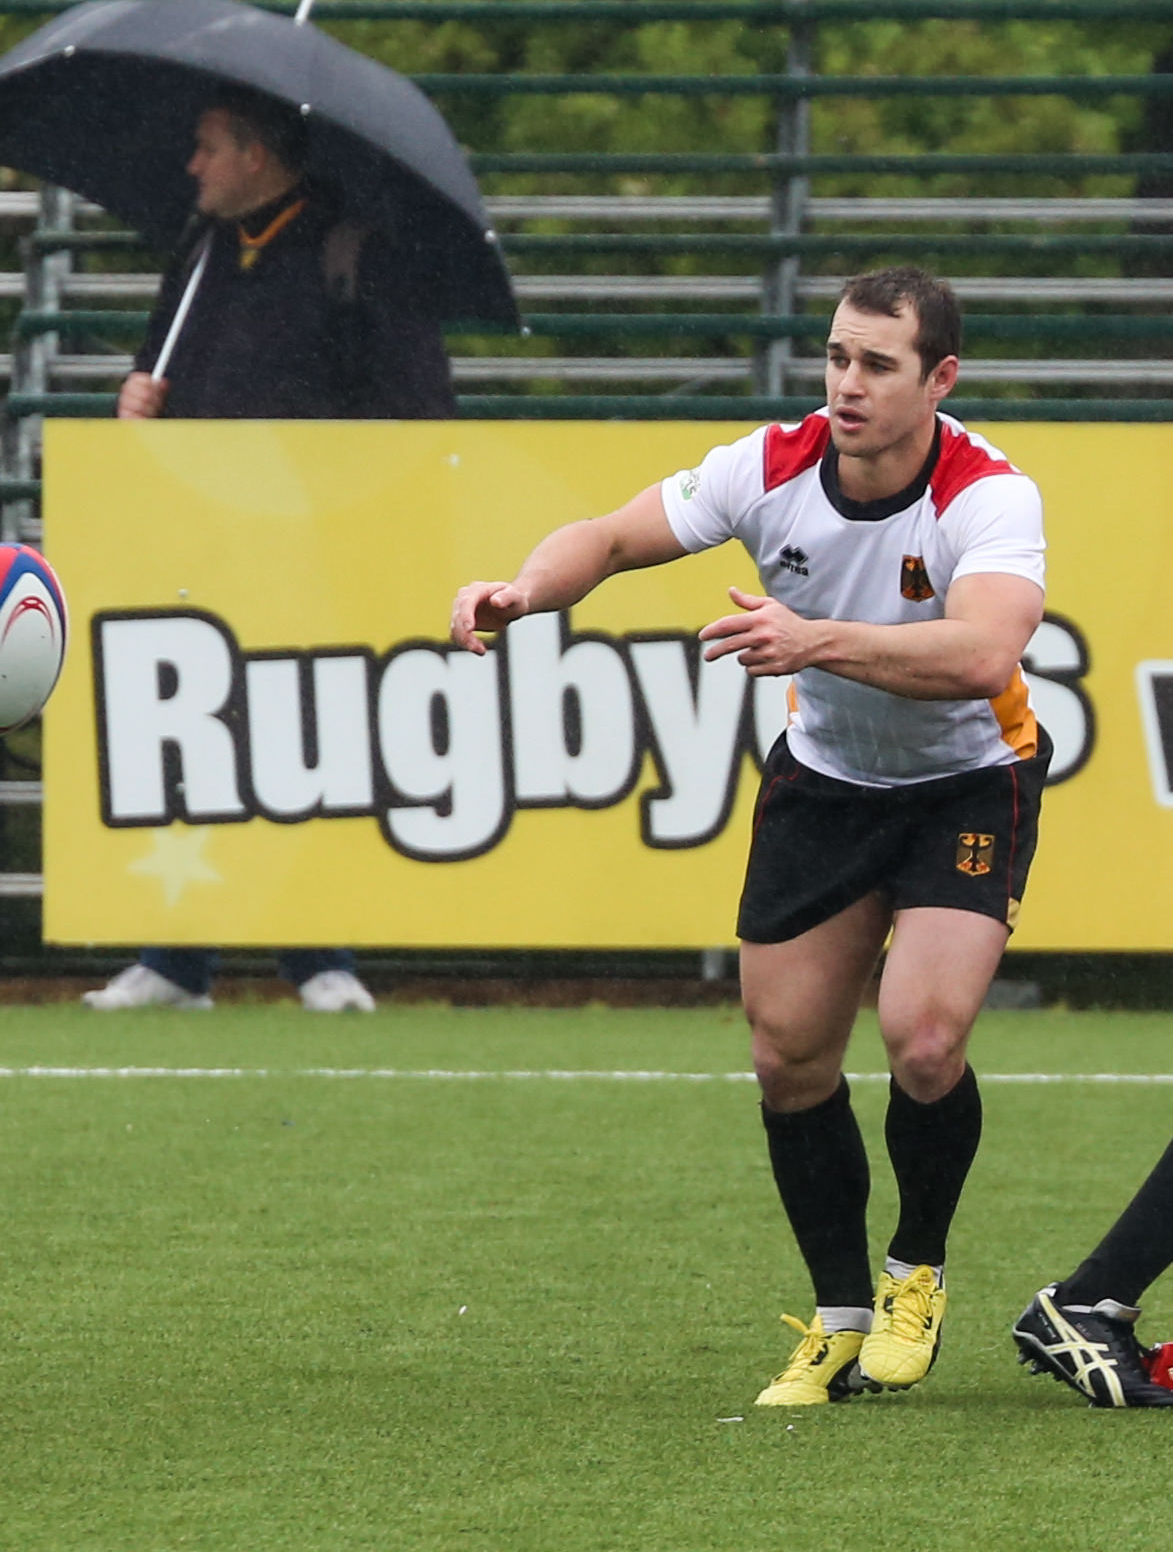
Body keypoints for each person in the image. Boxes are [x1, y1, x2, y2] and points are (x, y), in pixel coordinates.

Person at [449, 267, 1048, 1407]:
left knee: (923, 1041)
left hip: (967, 780)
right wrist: (525, 590)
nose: (847, 384)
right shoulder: (767, 465)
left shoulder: (987, 493)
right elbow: (609, 537)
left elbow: (982, 654)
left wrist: (813, 638)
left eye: (877, 364)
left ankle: (916, 1269)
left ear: (940, 378)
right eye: (836, 357)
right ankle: (838, 1316)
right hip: (825, 781)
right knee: (787, 1057)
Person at [84, 86, 455, 1016]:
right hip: (199, 534)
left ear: (256, 155)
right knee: (192, 721)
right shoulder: (201, 249)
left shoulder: (353, 251)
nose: (192, 166)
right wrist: (135, 405)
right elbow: (159, 372)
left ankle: (317, 953)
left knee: (302, 731)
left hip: (316, 543)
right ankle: (176, 959)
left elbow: (418, 410)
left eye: (208, 146)